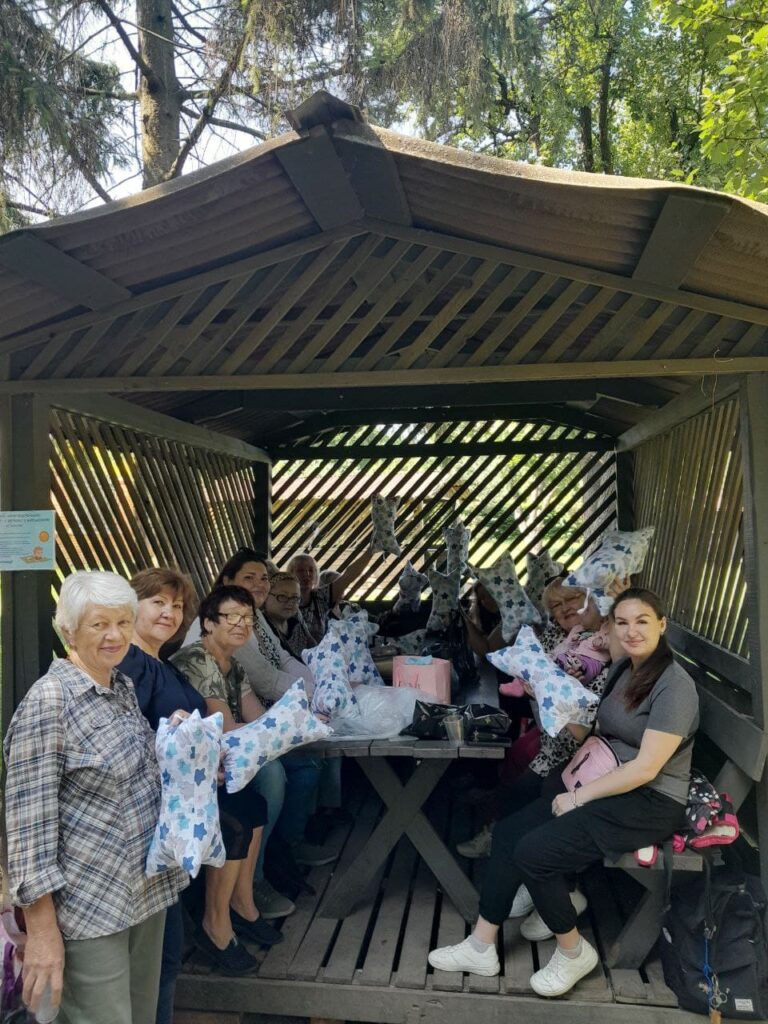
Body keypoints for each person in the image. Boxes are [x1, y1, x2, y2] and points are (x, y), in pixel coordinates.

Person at [429, 588, 698, 998]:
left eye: (642, 621)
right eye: (622, 622)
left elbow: (646, 768)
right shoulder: (624, 670)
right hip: (607, 779)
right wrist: (544, 694)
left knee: (535, 854)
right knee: (508, 833)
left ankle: (574, 952)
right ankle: (481, 946)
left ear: (662, 625)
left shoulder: (675, 686)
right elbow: (589, 732)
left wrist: (579, 797)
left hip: (650, 800)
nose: (631, 631)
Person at [3, 571, 186, 1024]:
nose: (115, 636)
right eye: (99, 624)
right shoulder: (49, 702)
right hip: (90, 909)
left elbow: (135, 775)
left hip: (144, 893)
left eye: (123, 622)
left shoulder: (118, 685)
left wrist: (179, 740)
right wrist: (42, 931)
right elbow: (28, 829)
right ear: (69, 630)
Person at [118, 569, 279, 998]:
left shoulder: (160, 663)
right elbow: (135, 739)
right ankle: (215, 922)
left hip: (188, 792)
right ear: (130, 606)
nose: (169, 613)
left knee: (252, 804)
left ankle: (237, 907)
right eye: (157, 602)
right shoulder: (129, 665)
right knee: (239, 818)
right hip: (160, 806)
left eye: (176, 606)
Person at [287, 547, 372, 646]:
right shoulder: (282, 600)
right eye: (300, 570)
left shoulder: (321, 597)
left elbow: (348, 576)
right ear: (290, 574)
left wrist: (370, 552)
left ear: (316, 575)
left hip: (321, 654)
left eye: (311, 570)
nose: (307, 574)